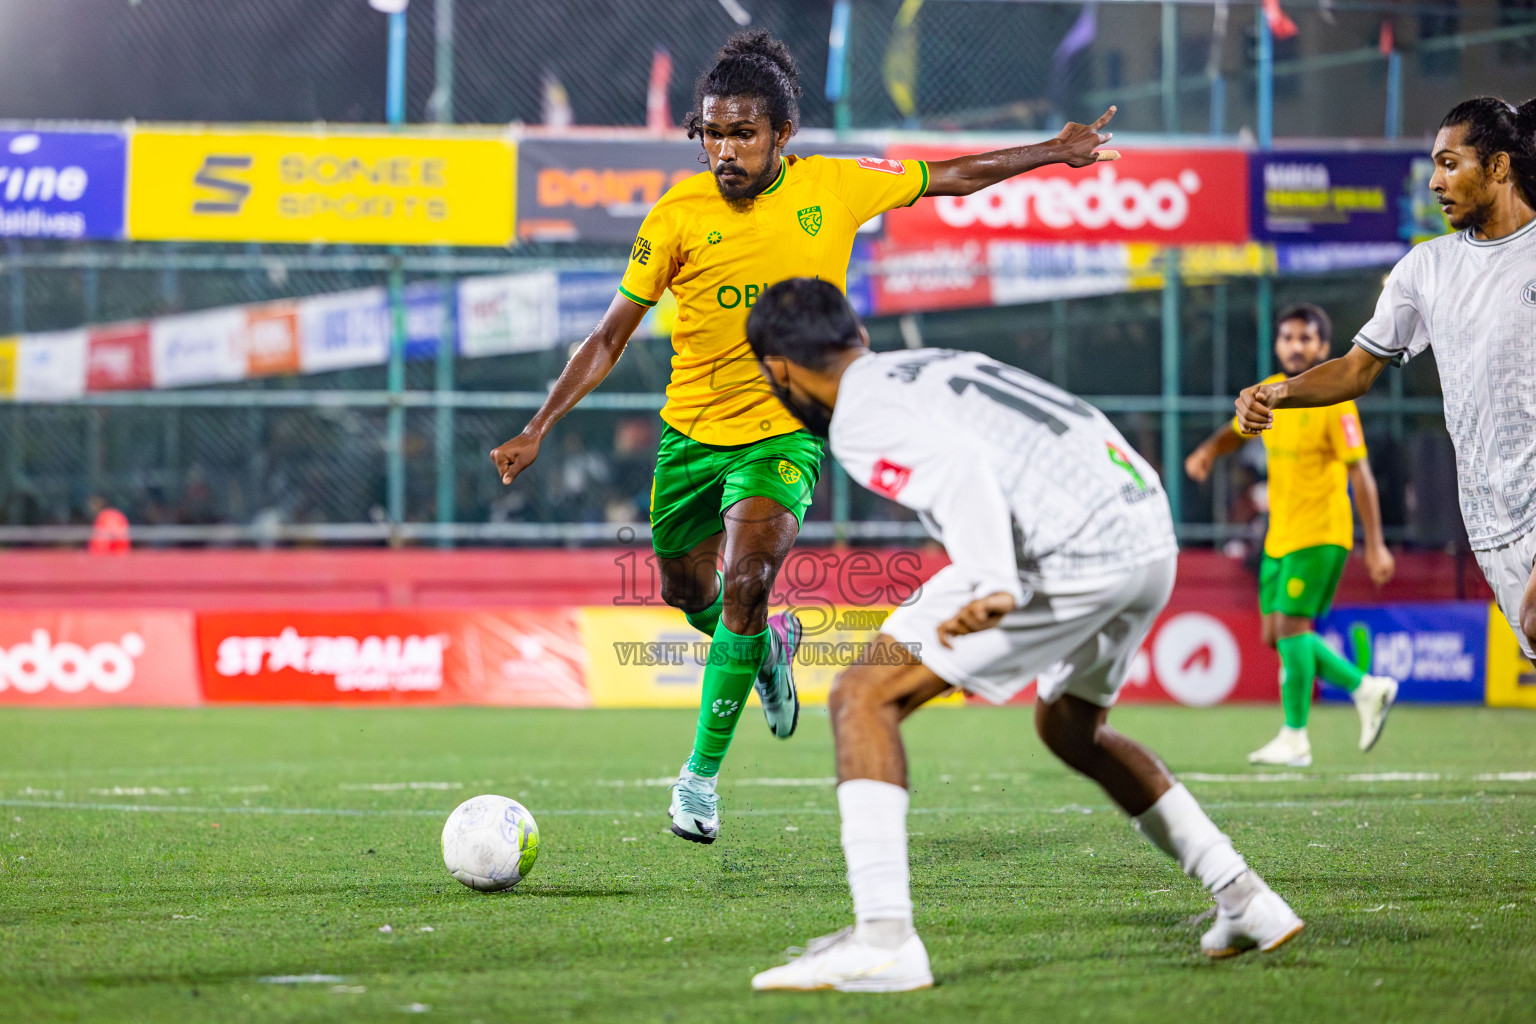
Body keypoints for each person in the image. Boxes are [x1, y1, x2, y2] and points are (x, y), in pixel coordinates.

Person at [489, 30, 1122, 844]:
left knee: (749, 578)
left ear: (781, 134)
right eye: (711, 133)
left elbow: (951, 178)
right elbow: (612, 335)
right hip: (689, 437)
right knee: (692, 596)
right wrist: (540, 425)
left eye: (741, 133)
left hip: (784, 434)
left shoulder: (838, 186)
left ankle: (698, 781)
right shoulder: (676, 216)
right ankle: (767, 649)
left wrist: (1054, 152)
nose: (723, 150)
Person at [744, 278, 1303, 993]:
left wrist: (991, 579)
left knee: (862, 696)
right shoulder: (931, 362)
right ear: (857, 336)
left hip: (1070, 550)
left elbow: (959, 469)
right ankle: (1245, 897)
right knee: (1071, 728)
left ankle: (885, 940)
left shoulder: (857, 413)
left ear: (780, 370)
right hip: (1144, 526)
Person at [1236, 96, 1536, 665]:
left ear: (1498, 167)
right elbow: (1355, 369)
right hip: (1492, 516)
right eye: (1434, 165)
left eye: (1450, 163)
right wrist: (1278, 391)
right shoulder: (1425, 270)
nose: (1435, 181)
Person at [1186, 303, 1399, 767]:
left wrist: (1376, 543)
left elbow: (1360, 472)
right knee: (1274, 634)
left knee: (1291, 628)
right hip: (1279, 535)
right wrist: (1208, 451)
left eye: (1306, 338)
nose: (1295, 346)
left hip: (1321, 531)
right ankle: (1366, 687)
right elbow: (1236, 429)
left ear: (1323, 347)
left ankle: (1295, 736)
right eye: (1288, 337)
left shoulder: (1333, 398)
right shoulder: (1269, 393)